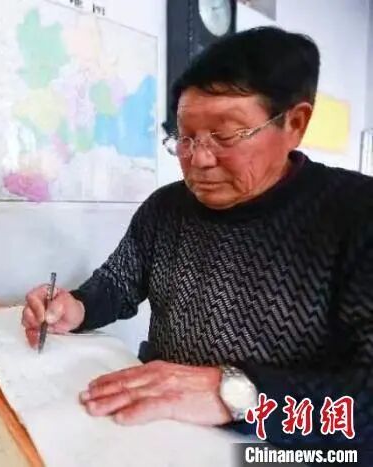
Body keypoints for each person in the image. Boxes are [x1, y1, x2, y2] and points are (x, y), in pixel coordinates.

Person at [22, 26, 372, 446]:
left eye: (225, 135)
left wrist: (235, 393)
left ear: (294, 124)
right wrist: (76, 307)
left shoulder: (356, 215)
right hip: (159, 433)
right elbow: (117, 284)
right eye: (185, 138)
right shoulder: (166, 208)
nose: (199, 159)